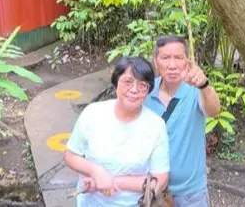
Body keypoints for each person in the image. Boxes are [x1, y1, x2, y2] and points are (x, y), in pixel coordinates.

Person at [65, 56, 170, 206]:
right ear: (115, 83)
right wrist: (96, 172)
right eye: (128, 82)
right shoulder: (93, 113)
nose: (134, 90)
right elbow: (71, 156)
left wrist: (111, 182)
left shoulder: (156, 126)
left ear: (148, 91)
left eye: (142, 85)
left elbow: (160, 180)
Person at [144, 36, 221, 207]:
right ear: (156, 61)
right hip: (154, 191)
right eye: (165, 58)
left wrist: (204, 85)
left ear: (187, 61)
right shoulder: (145, 91)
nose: (172, 65)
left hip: (191, 193)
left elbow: (214, 111)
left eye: (178, 58)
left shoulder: (196, 90)